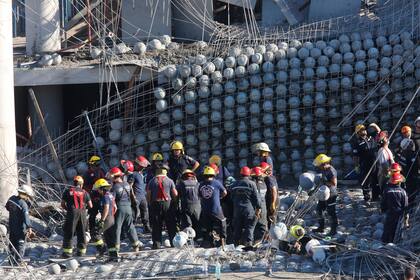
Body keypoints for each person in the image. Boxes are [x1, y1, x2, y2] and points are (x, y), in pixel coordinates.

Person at [109, 167, 141, 254]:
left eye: (111, 176)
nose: (110, 178)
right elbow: (132, 196)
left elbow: (112, 201)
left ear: (114, 176)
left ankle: (116, 248)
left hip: (119, 208)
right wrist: (135, 207)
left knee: (117, 227)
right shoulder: (127, 184)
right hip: (128, 207)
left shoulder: (114, 187)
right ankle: (136, 245)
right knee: (130, 226)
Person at [147, 164, 178, 249]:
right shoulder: (170, 181)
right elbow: (175, 193)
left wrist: (150, 203)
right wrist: (174, 202)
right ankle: (173, 242)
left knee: (156, 224)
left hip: (155, 203)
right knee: (171, 224)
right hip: (167, 203)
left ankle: (156, 244)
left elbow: (148, 194)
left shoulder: (152, 181)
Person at [61, 176, 93, 258]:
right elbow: (90, 205)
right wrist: (84, 209)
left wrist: (68, 209)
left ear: (74, 183)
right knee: (82, 232)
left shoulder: (68, 191)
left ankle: (67, 253)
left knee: (69, 232)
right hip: (82, 213)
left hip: (72, 213)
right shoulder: (85, 192)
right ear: (81, 184)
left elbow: (62, 204)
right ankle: (81, 252)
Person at [230, 166, 261, 247]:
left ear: (241, 174)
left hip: (237, 209)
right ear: (249, 174)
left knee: (237, 228)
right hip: (248, 209)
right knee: (249, 227)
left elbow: (232, 197)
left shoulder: (234, 184)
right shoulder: (252, 184)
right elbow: (256, 198)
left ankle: (236, 244)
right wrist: (259, 208)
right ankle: (248, 244)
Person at [198, 166, 227, 248]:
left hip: (205, 210)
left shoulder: (201, 184)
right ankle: (222, 242)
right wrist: (219, 197)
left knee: (208, 227)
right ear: (213, 175)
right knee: (222, 223)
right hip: (216, 209)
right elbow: (225, 192)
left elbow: (200, 196)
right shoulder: (217, 183)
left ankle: (209, 243)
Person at [6, 184, 34, 265]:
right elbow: (26, 218)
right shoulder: (23, 204)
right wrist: (30, 229)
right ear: (24, 194)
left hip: (11, 226)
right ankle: (19, 261)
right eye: (27, 196)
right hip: (20, 228)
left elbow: (7, 207)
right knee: (20, 244)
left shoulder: (11, 199)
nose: (28, 197)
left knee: (12, 244)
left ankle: (11, 261)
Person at [312, 154, 338, 236]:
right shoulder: (324, 170)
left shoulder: (331, 171)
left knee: (331, 212)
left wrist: (325, 182)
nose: (318, 167)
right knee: (319, 209)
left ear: (324, 164)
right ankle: (321, 227)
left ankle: (333, 230)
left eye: (319, 165)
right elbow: (322, 180)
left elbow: (334, 183)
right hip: (324, 193)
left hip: (331, 194)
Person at [351, 124, 378, 201]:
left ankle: (375, 196)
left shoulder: (371, 137)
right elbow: (355, 156)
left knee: (375, 180)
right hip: (365, 164)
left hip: (374, 163)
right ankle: (367, 197)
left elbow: (380, 133)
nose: (364, 130)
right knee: (366, 181)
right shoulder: (357, 143)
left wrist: (375, 125)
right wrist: (356, 166)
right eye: (362, 130)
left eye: (364, 129)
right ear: (358, 133)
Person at [83, 155, 106, 246]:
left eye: (94, 165)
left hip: (100, 198)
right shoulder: (88, 173)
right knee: (92, 217)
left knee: (103, 216)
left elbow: (105, 184)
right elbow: (84, 186)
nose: (93, 167)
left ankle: (101, 233)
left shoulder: (100, 172)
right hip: (92, 199)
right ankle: (93, 235)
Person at [92, 178, 117, 259]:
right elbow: (115, 208)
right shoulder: (111, 195)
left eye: (98, 189)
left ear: (101, 188)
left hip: (107, 218)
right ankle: (113, 256)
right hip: (111, 218)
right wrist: (111, 215)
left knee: (95, 233)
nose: (98, 191)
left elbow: (106, 208)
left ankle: (102, 250)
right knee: (109, 237)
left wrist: (102, 220)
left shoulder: (105, 197)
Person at [381, 172, 408, 243]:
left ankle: (385, 243)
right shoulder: (403, 192)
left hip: (389, 213)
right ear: (399, 182)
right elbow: (405, 205)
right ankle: (397, 243)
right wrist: (406, 217)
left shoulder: (387, 190)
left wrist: (383, 210)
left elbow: (383, 203)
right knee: (398, 230)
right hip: (399, 214)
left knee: (387, 229)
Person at [176, 169, 201, 235]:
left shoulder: (181, 184)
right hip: (197, 206)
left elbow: (176, 195)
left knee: (187, 224)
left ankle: (189, 239)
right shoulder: (197, 184)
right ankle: (198, 237)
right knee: (197, 223)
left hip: (186, 205)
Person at [133, 155, 151, 233]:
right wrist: (133, 196)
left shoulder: (141, 173)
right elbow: (130, 186)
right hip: (136, 196)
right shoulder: (133, 174)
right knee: (134, 213)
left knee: (145, 212)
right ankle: (131, 229)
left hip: (143, 195)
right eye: (141, 166)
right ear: (137, 165)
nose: (143, 168)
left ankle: (146, 227)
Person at [251, 166, 268, 244]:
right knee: (263, 226)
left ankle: (257, 242)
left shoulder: (254, 185)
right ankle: (263, 241)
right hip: (263, 207)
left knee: (255, 225)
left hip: (257, 208)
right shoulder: (263, 183)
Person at [260, 162, 278, 229]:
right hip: (272, 199)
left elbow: (274, 191)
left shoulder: (268, 178)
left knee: (271, 218)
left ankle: (272, 234)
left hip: (272, 200)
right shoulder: (272, 177)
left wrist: (272, 203)